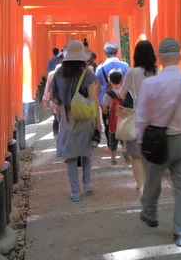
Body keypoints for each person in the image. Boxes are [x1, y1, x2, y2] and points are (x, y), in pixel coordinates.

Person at [136, 38, 181, 247]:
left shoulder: (151, 83)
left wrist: (140, 140)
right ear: (180, 56)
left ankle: (150, 213)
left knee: (153, 179)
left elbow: (142, 116)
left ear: (160, 58)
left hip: (157, 140)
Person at [49, 40, 102, 202]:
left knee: (71, 157)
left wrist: (60, 116)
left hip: (67, 118)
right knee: (86, 152)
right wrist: (98, 122)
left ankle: (75, 191)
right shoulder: (87, 74)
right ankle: (87, 183)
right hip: (85, 119)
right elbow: (94, 100)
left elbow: (55, 99)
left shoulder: (58, 74)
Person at [119, 40, 158, 197]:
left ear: (136, 55)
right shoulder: (158, 73)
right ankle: (149, 184)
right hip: (155, 119)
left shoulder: (132, 73)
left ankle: (141, 187)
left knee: (136, 154)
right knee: (149, 153)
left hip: (137, 117)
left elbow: (121, 94)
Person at [95, 42, 129, 155]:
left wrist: (95, 99)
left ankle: (110, 145)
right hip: (122, 99)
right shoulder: (125, 65)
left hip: (106, 99)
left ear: (105, 53)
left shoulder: (100, 68)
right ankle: (125, 144)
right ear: (117, 52)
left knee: (108, 121)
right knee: (123, 120)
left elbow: (98, 86)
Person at [101, 69, 123, 165]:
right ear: (121, 80)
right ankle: (126, 154)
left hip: (113, 120)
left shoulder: (108, 94)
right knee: (124, 139)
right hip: (124, 119)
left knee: (112, 139)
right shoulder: (125, 92)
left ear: (110, 80)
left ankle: (113, 159)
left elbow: (104, 108)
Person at [43, 55, 64, 136]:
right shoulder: (66, 72)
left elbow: (47, 87)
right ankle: (63, 135)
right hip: (64, 98)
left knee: (55, 118)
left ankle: (55, 135)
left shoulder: (51, 74)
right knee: (64, 118)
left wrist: (45, 99)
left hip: (54, 99)